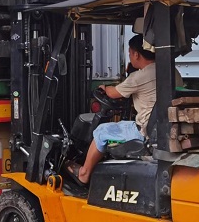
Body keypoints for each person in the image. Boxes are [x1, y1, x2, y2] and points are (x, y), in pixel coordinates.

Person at [65, 34, 183, 185]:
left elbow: (113, 93)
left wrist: (104, 88)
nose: (130, 57)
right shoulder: (172, 71)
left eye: (130, 53)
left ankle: (84, 173)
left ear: (136, 54)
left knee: (101, 131)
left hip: (145, 132)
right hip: (168, 128)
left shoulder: (139, 76)